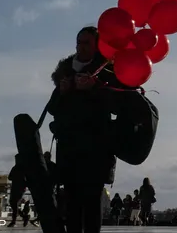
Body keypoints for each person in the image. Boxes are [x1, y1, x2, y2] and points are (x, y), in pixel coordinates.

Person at [47, 26, 126, 233]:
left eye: (86, 43)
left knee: (91, 202)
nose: (81, 47)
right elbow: (53, 109)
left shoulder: (108, 69)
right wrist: (63, 93)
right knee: (72, 203)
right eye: (78, 42)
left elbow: (118, 105)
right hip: (70, 149)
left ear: (97, 45)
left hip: (96, 149)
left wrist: (94, 89)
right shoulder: (66, 71)